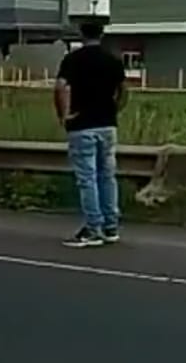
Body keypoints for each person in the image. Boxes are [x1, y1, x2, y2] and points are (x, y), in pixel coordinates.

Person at [54, 20, 127, 248]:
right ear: (102, 34)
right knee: (107, 176)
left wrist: (64, 115)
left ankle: (92, 228)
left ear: (81, 35)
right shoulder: (113, 59)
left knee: (87, 179)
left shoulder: (73, 59)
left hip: (82, 124)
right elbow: (124, 90)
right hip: (107, 124)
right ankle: (110, 226)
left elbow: (61, 87)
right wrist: (115, 109)